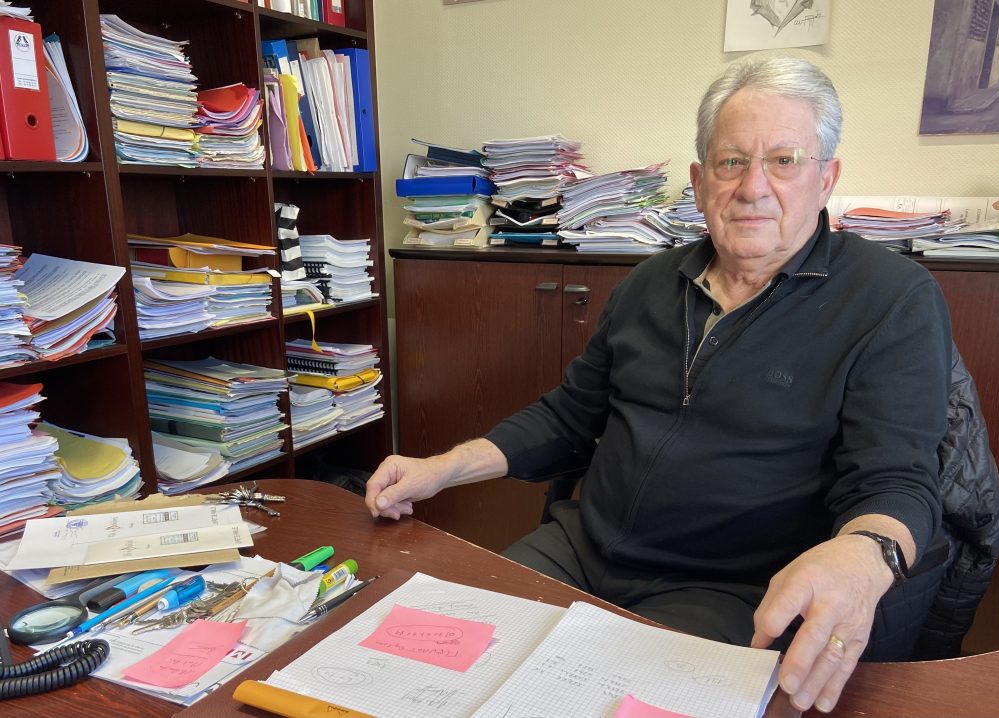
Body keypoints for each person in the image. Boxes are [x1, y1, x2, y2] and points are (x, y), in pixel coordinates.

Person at [366, 55, 952, 714]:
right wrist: (441, 468)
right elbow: (568, 419)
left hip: (727, 589)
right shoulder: (650, 282)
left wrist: (864, 556)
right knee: (417, 671)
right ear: (700, 183)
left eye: (785, 160)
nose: (755, 187)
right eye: (731, 162)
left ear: (827, 178)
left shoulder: (891, 299)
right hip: (580, 548)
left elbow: (897, 478)